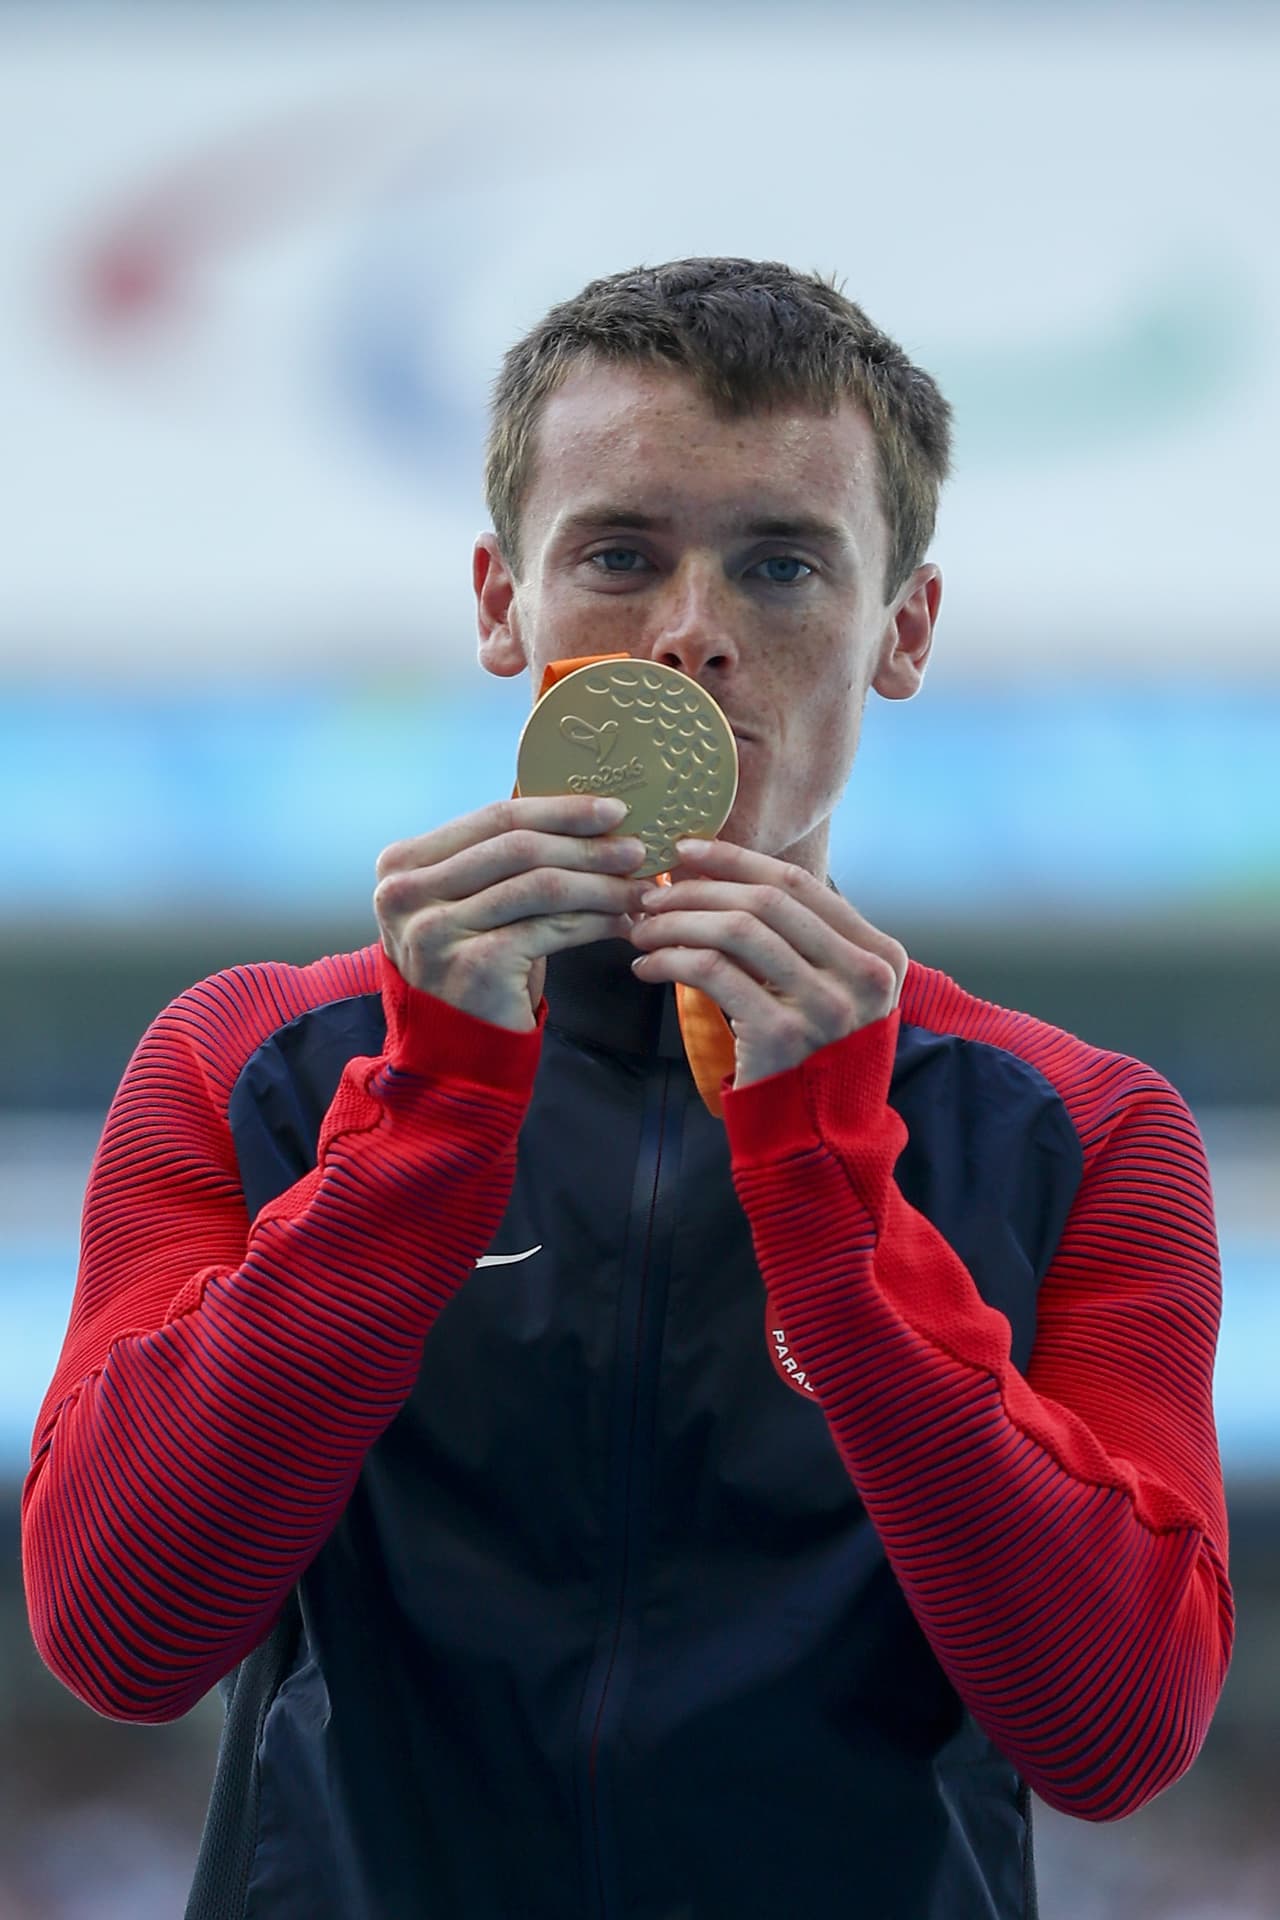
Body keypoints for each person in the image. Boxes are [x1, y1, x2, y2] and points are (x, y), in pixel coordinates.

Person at [22, 258, 1233, 1920]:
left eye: (783, 564)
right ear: (499, 602)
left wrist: (827, 1187)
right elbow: (121, 1636)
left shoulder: (1082, 1134)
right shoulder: (250, 1065)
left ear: (903, 629)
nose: (690, 634)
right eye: (618, 555)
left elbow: (1116, 1733)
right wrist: (431, 1120)